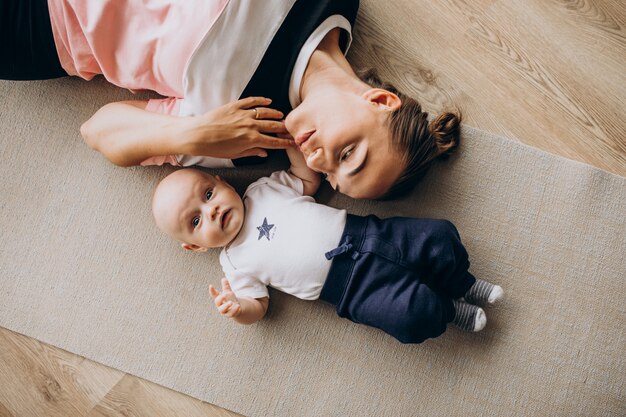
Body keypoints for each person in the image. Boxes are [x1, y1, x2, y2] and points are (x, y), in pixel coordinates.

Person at [2, 0, 461, 199]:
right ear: (380, 101)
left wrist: (197, 132)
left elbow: (97, 130)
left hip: (40, 25)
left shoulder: (253, 135)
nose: (319, 162)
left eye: (331, 177)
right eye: (349, 155)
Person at [151, 148, 504, 344]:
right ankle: (451, 309)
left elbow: (307, 177)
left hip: (368, 234)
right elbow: (258, 307)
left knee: (440, 237)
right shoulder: (234, 263)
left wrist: (292, 140)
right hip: (355, 292)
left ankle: (465, 284)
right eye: (196, 221)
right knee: (412, 317)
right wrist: (237, 309)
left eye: (208, 194)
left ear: (221, 180)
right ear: (195, 247)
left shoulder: (263, 189)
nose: (211, 210)